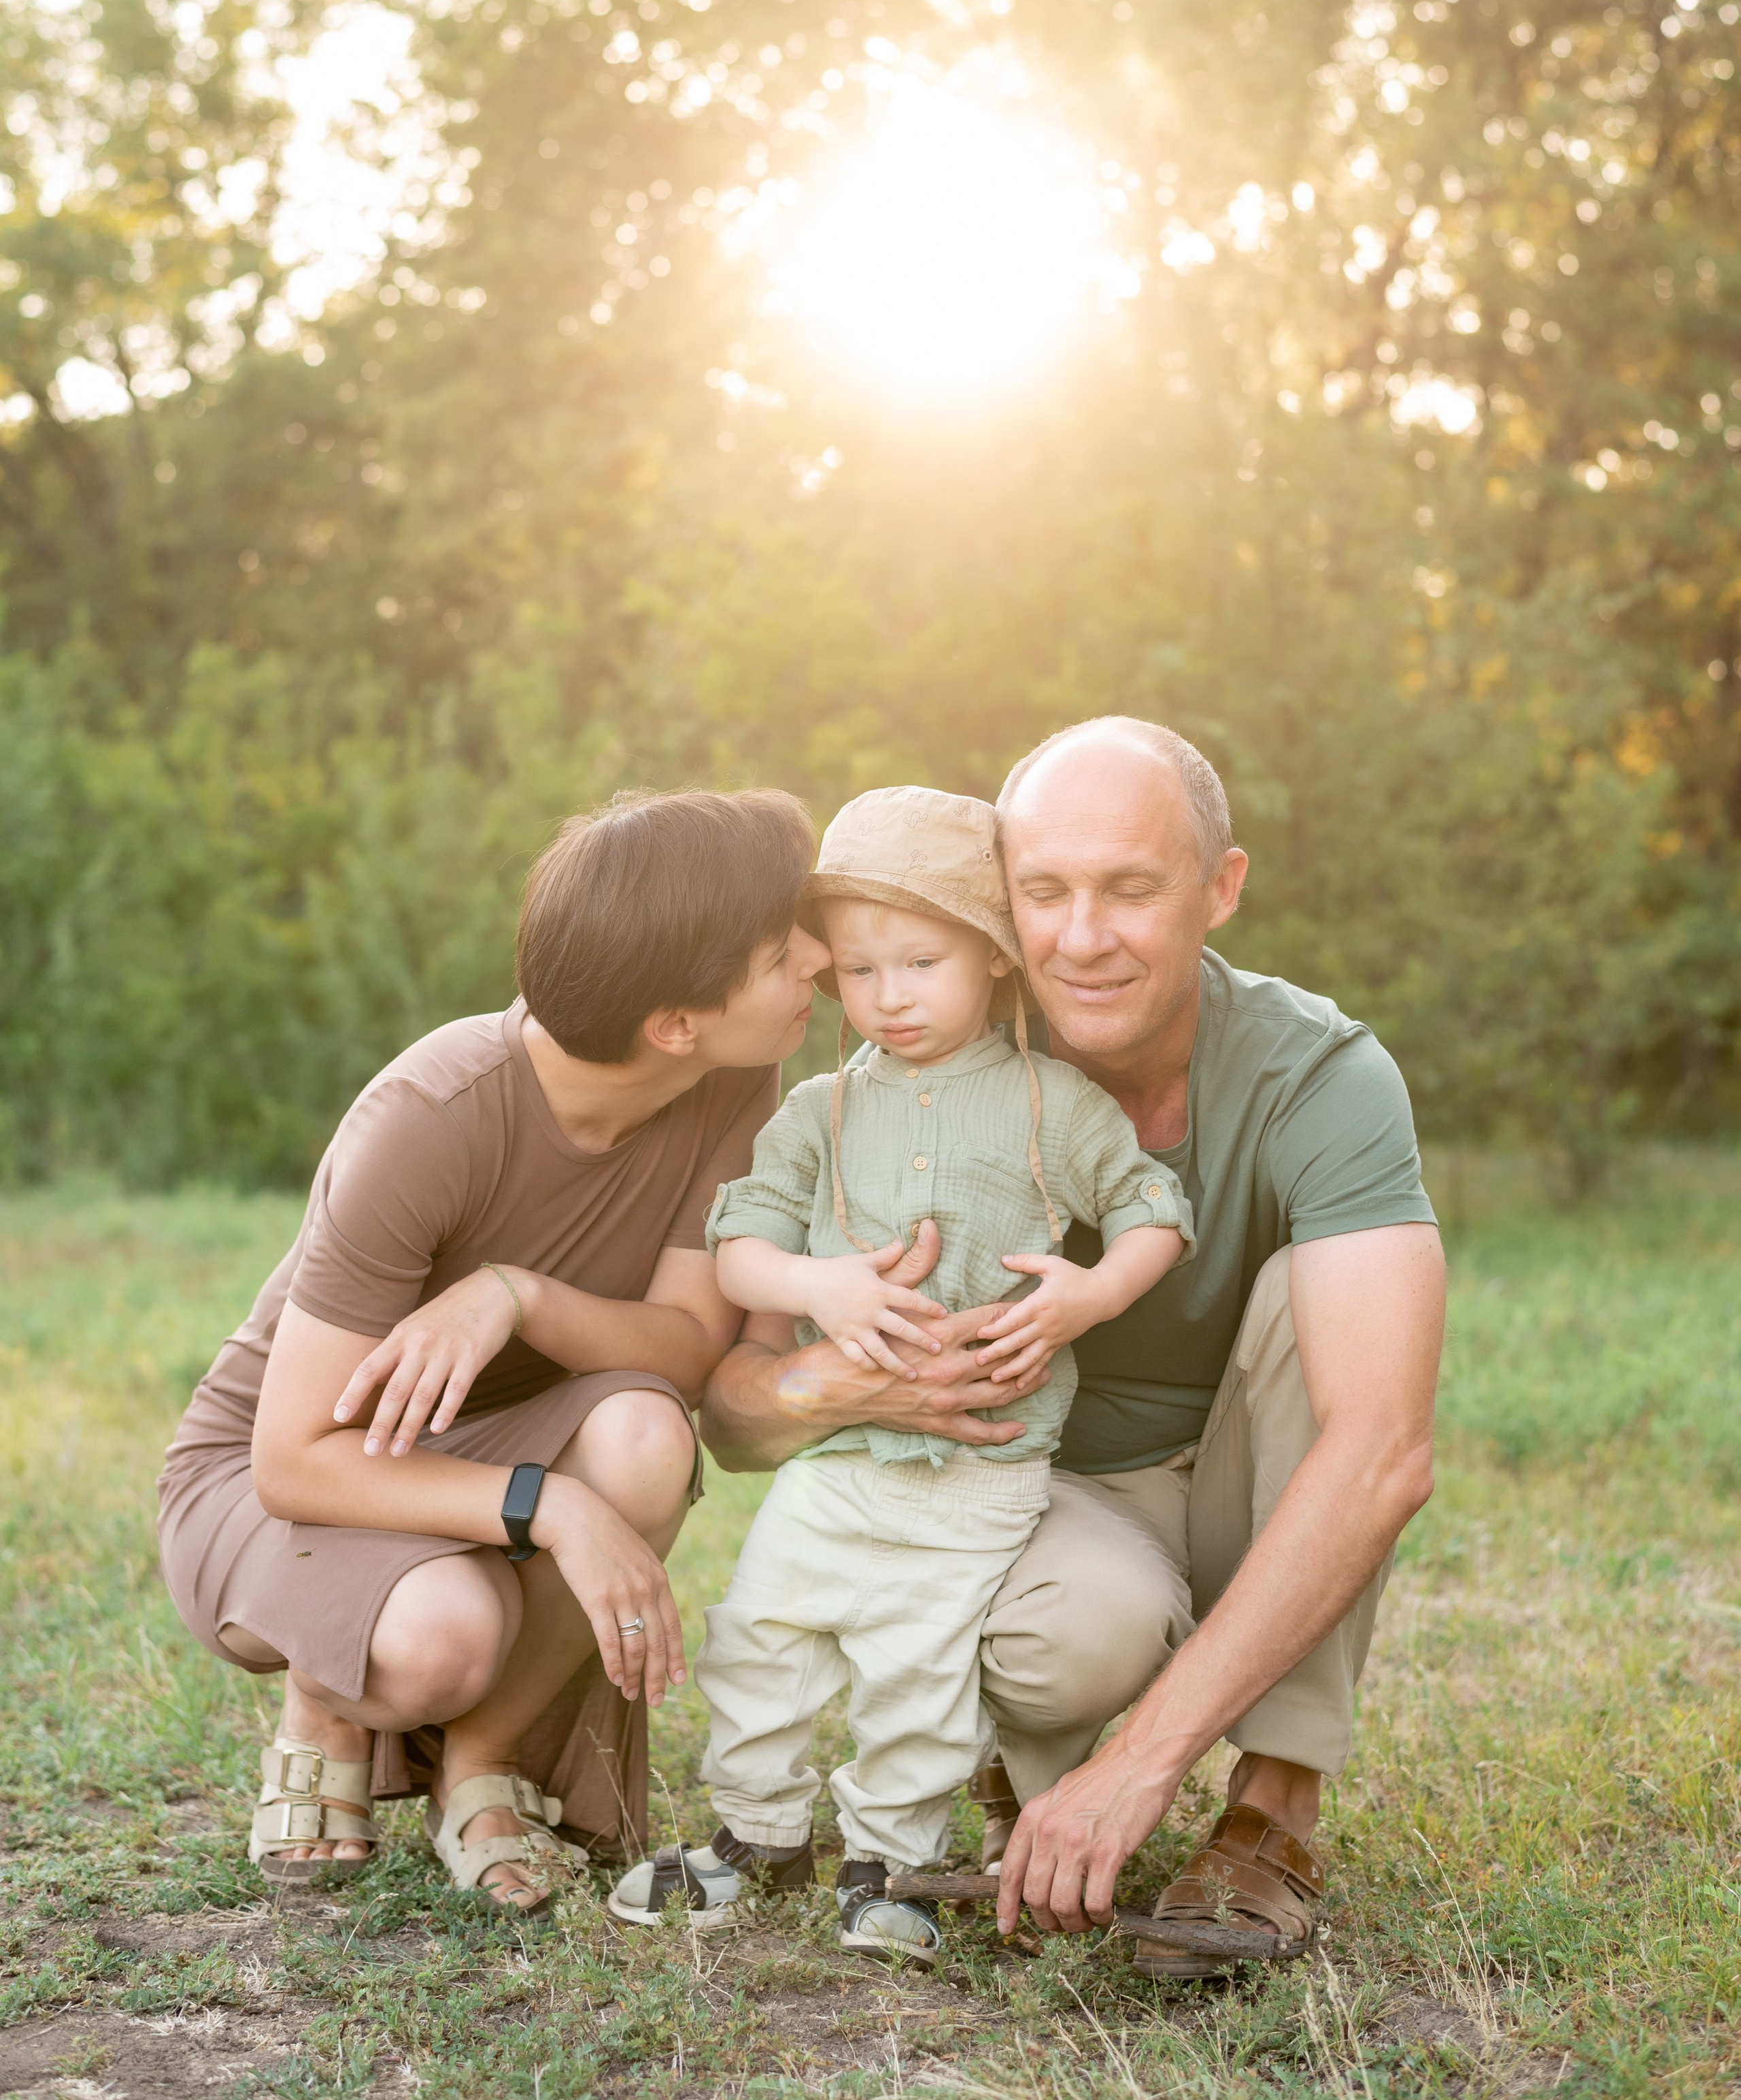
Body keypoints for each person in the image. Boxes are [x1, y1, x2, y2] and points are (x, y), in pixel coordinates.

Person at [698, 720, 1444, 1976]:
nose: (1084, 936)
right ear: (999, 908)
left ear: (1222, 888)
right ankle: (1016, 1778)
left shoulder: (1321, 1073)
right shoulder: (916, 1051)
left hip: (1250, 1469)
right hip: (1035, 1489)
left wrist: (1141, 1764)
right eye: (1045, 892)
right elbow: (731, 1415)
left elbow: (1382, 1451)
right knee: (1066, 1643)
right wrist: (836, 1378)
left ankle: (1272, 1814)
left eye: (1133, 888)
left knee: (1305, 1309)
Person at [157, 788, 826, 1915]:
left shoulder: (737, 1078)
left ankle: (482, 1765)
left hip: (493, 1434)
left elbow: (684, 1348)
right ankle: (330, 1693)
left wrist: (517, 1297)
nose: (817, 955)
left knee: (646, 1434)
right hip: (301, 1473)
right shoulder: (429, 1114)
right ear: (674, 1023)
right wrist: (554, 1511)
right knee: (444, 1636)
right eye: (781, 948)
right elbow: (294, 1459)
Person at [606, 787, 1191, 1960]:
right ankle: (755, 1834)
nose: (891, 996)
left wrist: (1093, 1291)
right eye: (862, 971)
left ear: (990, 959)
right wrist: (817, 1289)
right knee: (763, 1631)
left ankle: (891, 1866)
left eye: (922, 961)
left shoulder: (1050, 1103)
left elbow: (1149, 1207)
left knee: (920, 1673)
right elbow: (744, 1243)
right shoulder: (821, 1110)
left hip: (982, 1471)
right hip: (838, 1459)